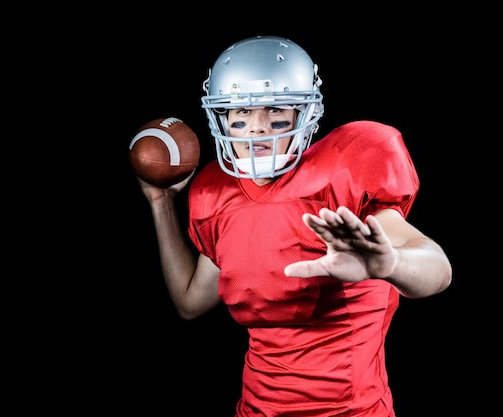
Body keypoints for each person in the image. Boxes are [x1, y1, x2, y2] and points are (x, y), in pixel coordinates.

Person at [135, 35, 452, 416]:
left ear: (306, 115)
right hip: (254, 409)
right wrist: (161, 202)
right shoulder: (217, 195)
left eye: (276, 112)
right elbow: (190, 303)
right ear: (221, 119)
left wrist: (390, 265)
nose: (256, 128)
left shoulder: (341, 175)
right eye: (240, 114)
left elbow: (438, 267)